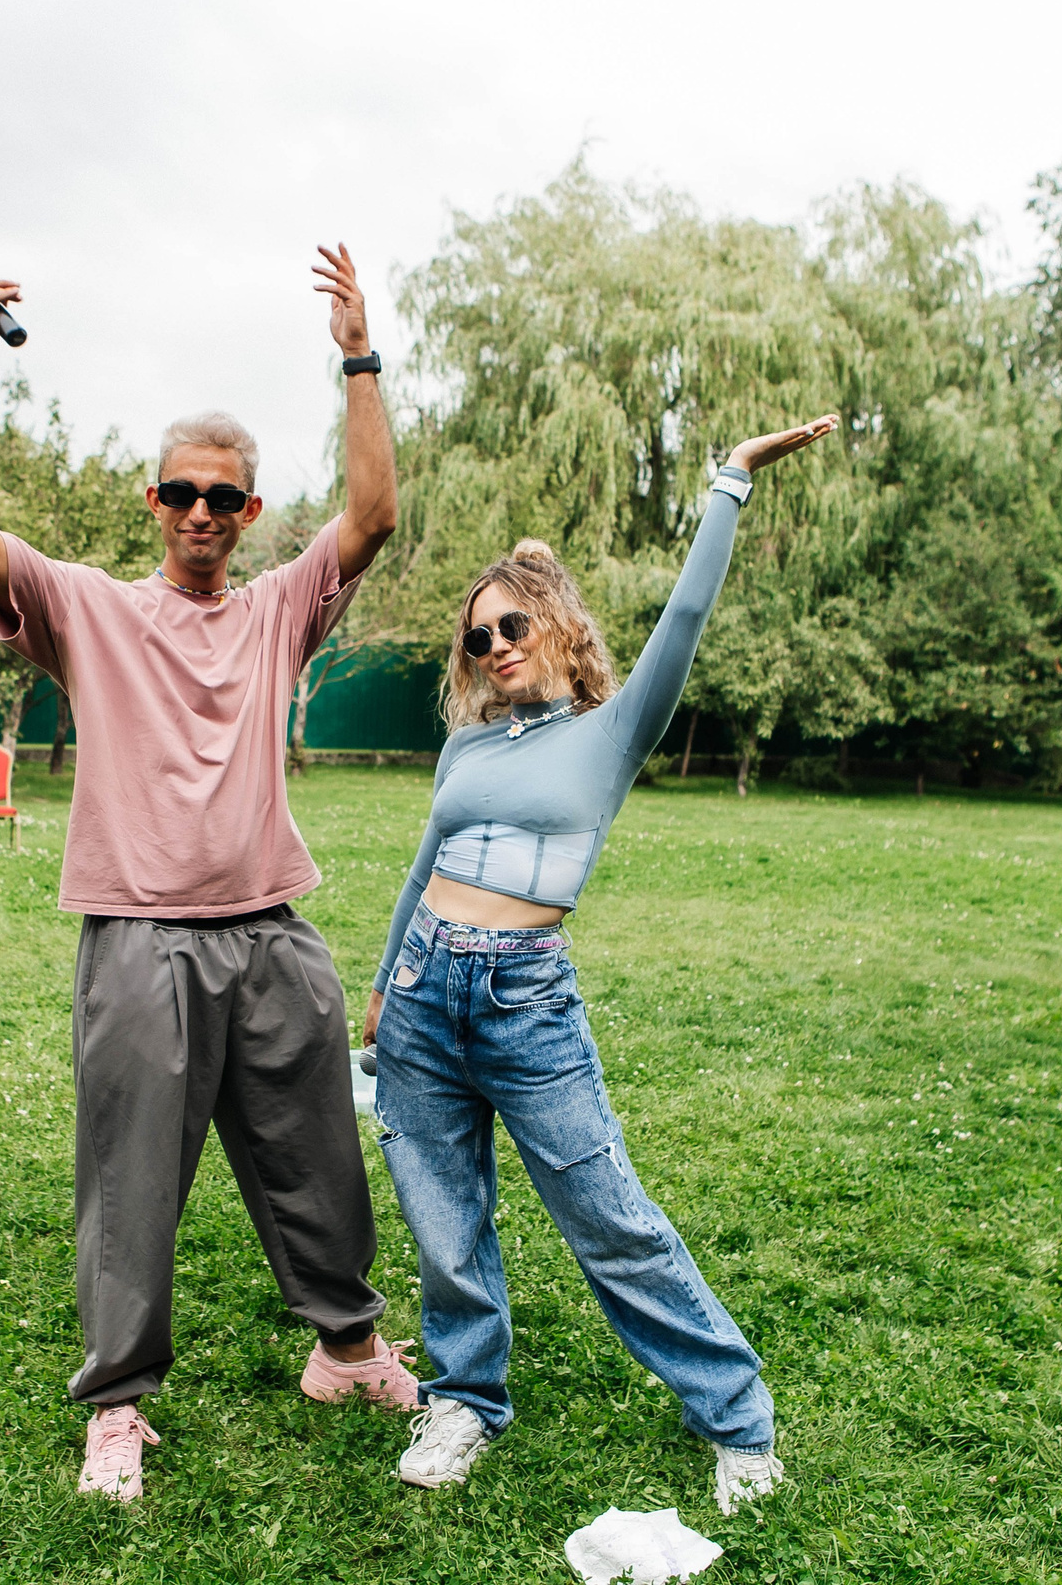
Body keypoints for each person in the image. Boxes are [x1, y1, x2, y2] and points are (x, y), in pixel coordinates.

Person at [0, 246, 416, 1503]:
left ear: (251, 514)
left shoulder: (277, 612)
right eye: (183, 491)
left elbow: (371, 518)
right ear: (152, 500)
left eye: (228, 498)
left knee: (317, 1157)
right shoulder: (87, 608)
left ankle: (348, 1350)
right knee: (131, 1182)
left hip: (272, 933)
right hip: (141, 941)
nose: (204, 512)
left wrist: (360, 358)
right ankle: (116, 1407)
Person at [361, 415, 839, 1513]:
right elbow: (420, 868)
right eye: (476, 638)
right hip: (427, 987)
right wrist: (384, 986)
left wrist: (731, 479)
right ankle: (463, 1401)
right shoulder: (467, 743)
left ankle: (737, 1421)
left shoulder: (615, 728)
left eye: (511, 624)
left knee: (609, 1217)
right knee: (441, 1215)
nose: (494, 648)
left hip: (525, 999)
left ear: (560, 627)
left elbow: (684, 612)